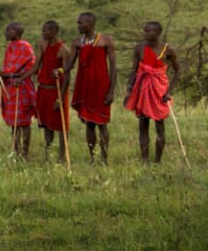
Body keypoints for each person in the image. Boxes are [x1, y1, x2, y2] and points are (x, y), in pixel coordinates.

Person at [124, 21, 179, 163]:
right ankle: (144, 160)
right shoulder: (139, 48)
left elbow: (178, 71)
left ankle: (157, 161)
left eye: (150, 31)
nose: (147, 33)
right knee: (143, 124)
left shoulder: (168, 50)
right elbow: (134, 70)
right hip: (143, 88)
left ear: (158, 32)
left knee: (159, 125)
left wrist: (169, 92)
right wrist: (129, 91)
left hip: (160, 90)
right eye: (145, 31)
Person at [65, 12, 117, 163]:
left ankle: (104, 158)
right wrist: (60, 71)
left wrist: (111, 91)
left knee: (102, 124)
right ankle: (93, 157)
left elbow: (113, 67)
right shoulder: (77, 42)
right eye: (78, 23)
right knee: (89, 123)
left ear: (91, 24)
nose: (78, 25)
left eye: (81, 23)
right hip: (84, 86)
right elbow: (70, 64)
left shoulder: (106, 40)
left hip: (101, 86)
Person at [0, 22, 37, 159]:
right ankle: (16, 150)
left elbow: (31, 68)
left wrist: (8, 75)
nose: (6, 32)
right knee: (14, 122)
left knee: (24, 121)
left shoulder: (26, 47)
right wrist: (2, 76)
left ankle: (25, 152)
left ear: (17, 32)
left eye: (9, 30)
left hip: (22, 85)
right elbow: (8, 67)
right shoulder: (10, 47)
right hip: (10, 86)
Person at [34, 20, 70, 159]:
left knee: (61, 124)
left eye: (45, 30)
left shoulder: (64, 50)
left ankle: (62, 156)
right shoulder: (42, 44)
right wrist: (19, 77)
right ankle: (47, 154)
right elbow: (36, 65)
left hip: (57, 90)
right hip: (43, 89)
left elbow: (67, 77)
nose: (43, 33)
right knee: (46, 124)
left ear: (54, 32)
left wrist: (60, 98)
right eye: (42, 30)